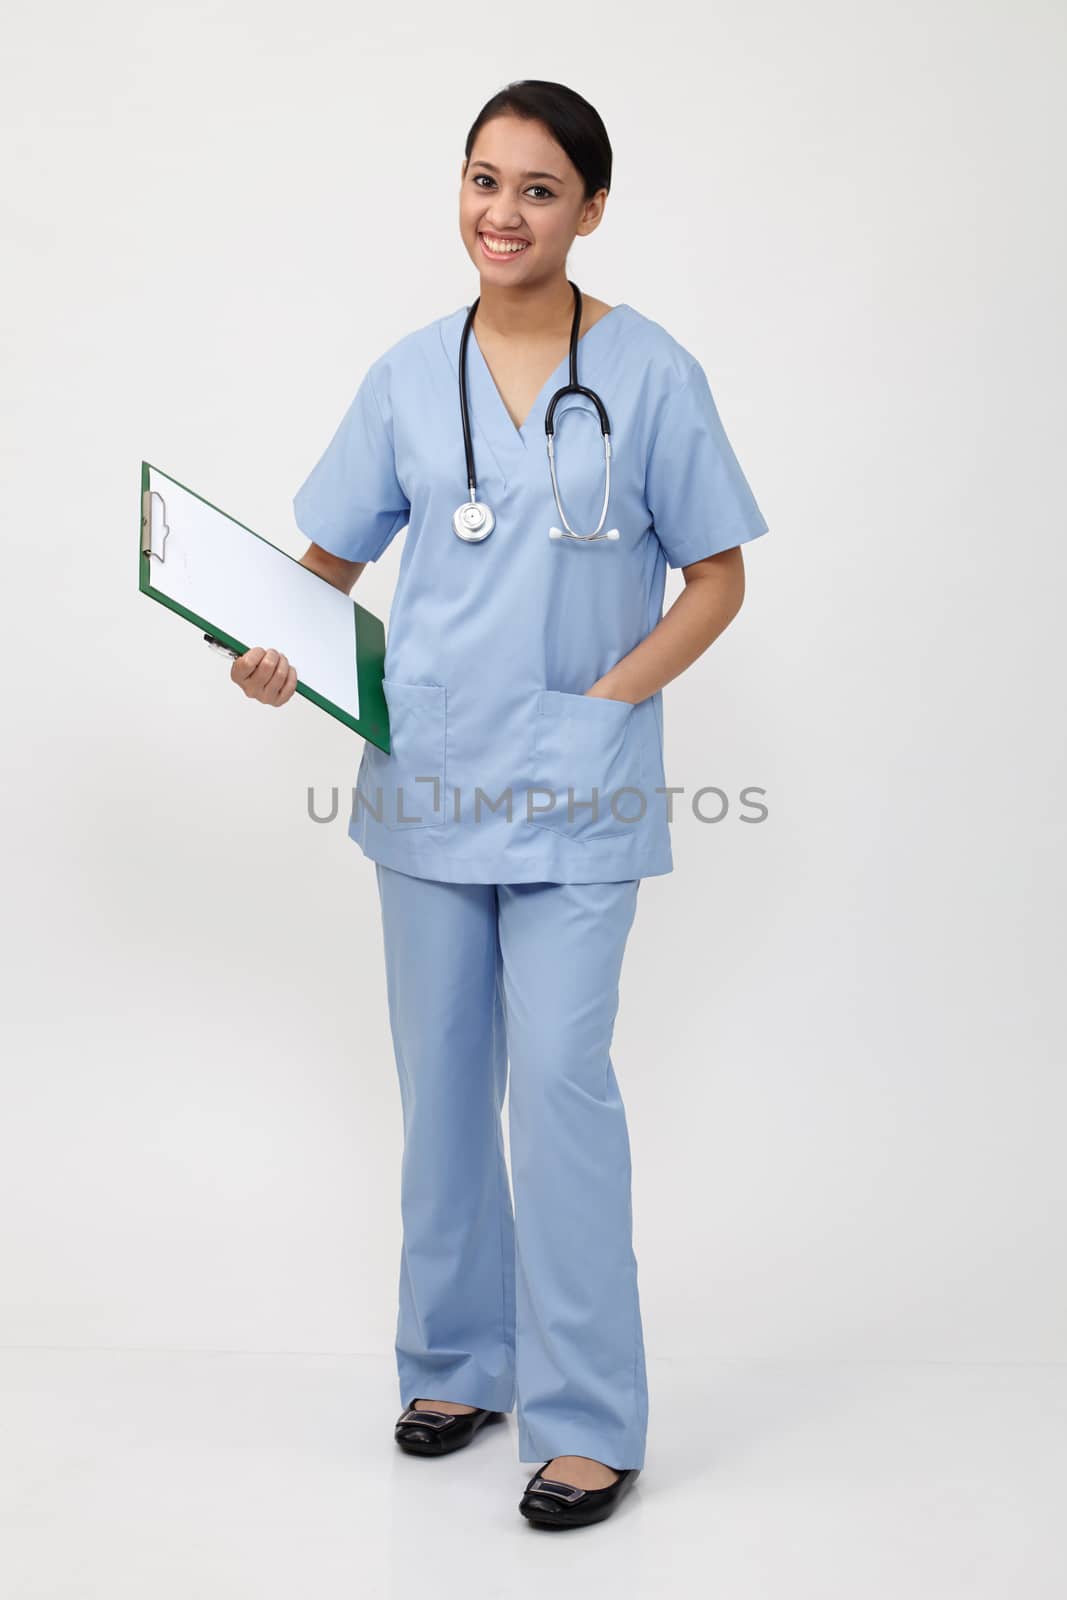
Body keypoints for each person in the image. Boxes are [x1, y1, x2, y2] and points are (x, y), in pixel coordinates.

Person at [232, 80, 769, 1530]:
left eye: (538, 188)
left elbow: (717, 575)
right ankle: (461, 1361)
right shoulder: (410, 373)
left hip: (580, 790)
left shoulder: (651, 374)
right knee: (445, 1092)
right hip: (429, 778)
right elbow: (324, 565)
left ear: (592, 208)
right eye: (482, 180)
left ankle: (590, 1417)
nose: (502, 213)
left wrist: (605, 707)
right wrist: (279, 651)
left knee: (563, 1090)